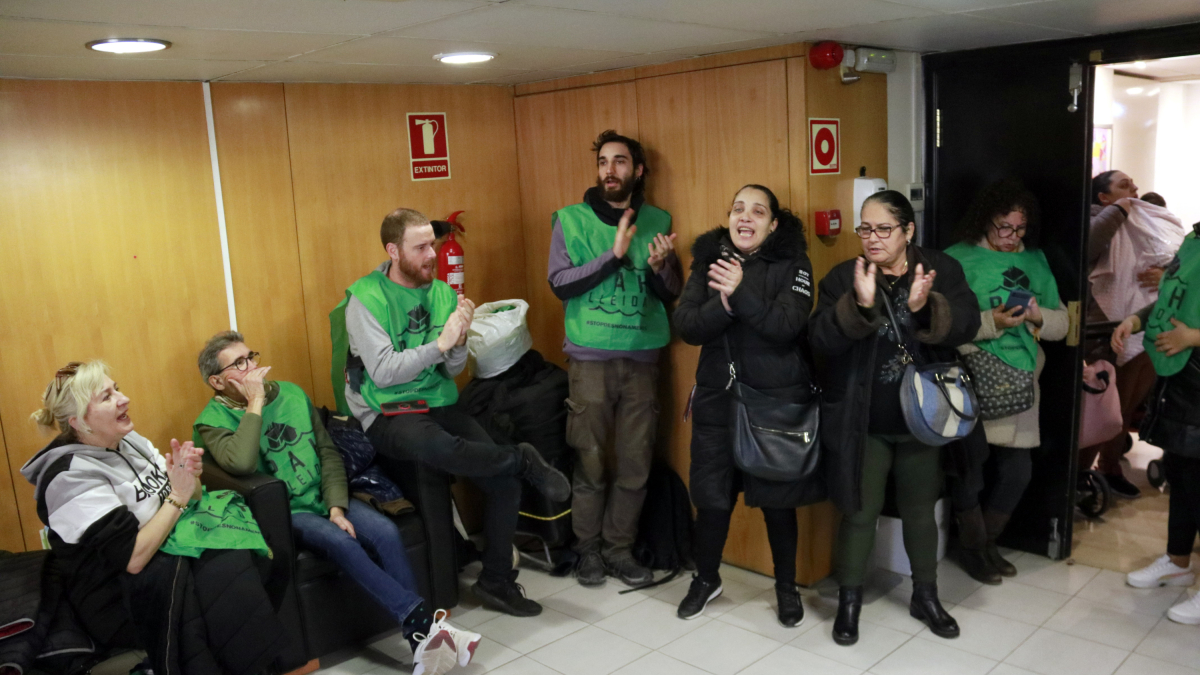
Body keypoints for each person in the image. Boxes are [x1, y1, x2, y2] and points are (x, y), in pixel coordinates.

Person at [193, 331, 477, 675]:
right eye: (239, 364)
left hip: (323, 495)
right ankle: (428, 628)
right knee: (339, 540)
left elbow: (327, 452)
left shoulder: (292, 394)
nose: (252, 367)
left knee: (385, 531)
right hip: (285, 512)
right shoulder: (211, 421)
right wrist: (253, 403)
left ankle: (422, 642)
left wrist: (336, 507)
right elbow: (240, 464)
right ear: (217, 381)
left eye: (250, 356)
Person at [337, 207, 570, 618]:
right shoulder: (365, 298)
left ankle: (496, 580)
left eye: (433, 244)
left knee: (503, 480)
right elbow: (384, 372)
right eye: (421, 247)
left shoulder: (442, 293)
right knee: (438, 446)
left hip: (436, 400)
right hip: (387, 410)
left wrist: (459, 338)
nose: (432, 254)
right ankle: (521, 457)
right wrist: (441, 344)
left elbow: (453, 369)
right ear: (393, 251)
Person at [22, 360, 290, 675]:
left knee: (262, 553)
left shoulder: (131, 441)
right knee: (227, 573)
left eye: (116, 388)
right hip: (115, 594)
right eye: (106, 397)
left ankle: (253, 664)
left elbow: (192, 497)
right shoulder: (69, 478)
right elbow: (133, 558)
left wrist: (189, 480)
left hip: (164, 548)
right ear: (79, 422)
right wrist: (177, 496)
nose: (124, 399)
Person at [810, 191, 981, 645]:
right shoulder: (843, 276)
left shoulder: (940, 269)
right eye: (864, 228)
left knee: (920, 511)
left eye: (883, 228)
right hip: (864, 421)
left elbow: (967, 322)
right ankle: (849, 602)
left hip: (924, 420)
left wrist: (928, 309)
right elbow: (820, 340)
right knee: (859, 513)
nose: (871, 238)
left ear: (908, 231)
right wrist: (859, 307)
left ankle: (925, 594)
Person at [673, 184, 819, 626]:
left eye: (757, 212)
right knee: (713, 496)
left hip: (773, 402)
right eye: (738, 208)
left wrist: (740, 293)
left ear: (773, 224)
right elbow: (687, 324)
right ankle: (706, 579)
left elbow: (788, 324)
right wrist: (723, 303)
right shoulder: (709, 260)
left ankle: (787, 588)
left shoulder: (793, 263)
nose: (745, 218)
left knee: (777, 498)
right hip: (718, 398)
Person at [547, 129, 682, 588]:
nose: (610, 170)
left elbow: (671, 293)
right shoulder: (570, 220)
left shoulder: (659, 219)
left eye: (620, 162)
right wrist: (613, 256)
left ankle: (618, 549)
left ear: (637, 170)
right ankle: (586, 551)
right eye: (604, 161)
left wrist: (663, 267)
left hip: (642, 361)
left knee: (634, 462)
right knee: (589, 460)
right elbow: (560, 283)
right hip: (590, 362)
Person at [944, 179, 1070, 584]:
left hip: (1023, 379)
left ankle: (986, 543)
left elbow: (1063, 324)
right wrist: (990, 323)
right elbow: (942, 327)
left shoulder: (1035, 259)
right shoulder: (955, 260)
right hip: (975, 376)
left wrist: (1037, 317)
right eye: (1003, 228)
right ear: (985, 221)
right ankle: (972, 548)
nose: (1012, 237)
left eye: (1019, 229)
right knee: (971, 470)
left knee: (1018, 472)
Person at [1113, 221, 1200, 623]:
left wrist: (1193, 338)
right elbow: (1172, 299)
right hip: (1180, 381)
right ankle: (1178, 561)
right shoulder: (1194, 238)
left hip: (1194, 369)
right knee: (1182, 477)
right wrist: (1136, 321)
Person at [1080, 170, 1157, 499]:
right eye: (1124, 186)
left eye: (1134, 185)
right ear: (1103, 198)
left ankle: (1109, 467)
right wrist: (1123, 207)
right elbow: (1089, 245)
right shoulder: (1097, 219)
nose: (1135, 189)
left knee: (1127, 407)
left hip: (1145, 325)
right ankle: (1080, 474)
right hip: (1105, 330)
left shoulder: (1140, 222)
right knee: (1105, 409)